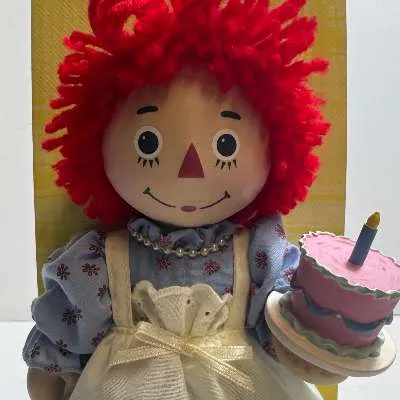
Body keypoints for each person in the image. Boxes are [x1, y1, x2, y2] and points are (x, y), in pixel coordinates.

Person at [24, 0, 339, 398]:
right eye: (148, 142)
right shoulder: (102, 260)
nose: (191, 168)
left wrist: (319, 346)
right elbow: (70, 324)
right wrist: (51, 369)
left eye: (225, 145)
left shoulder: (258, 256)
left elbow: (283, 321)